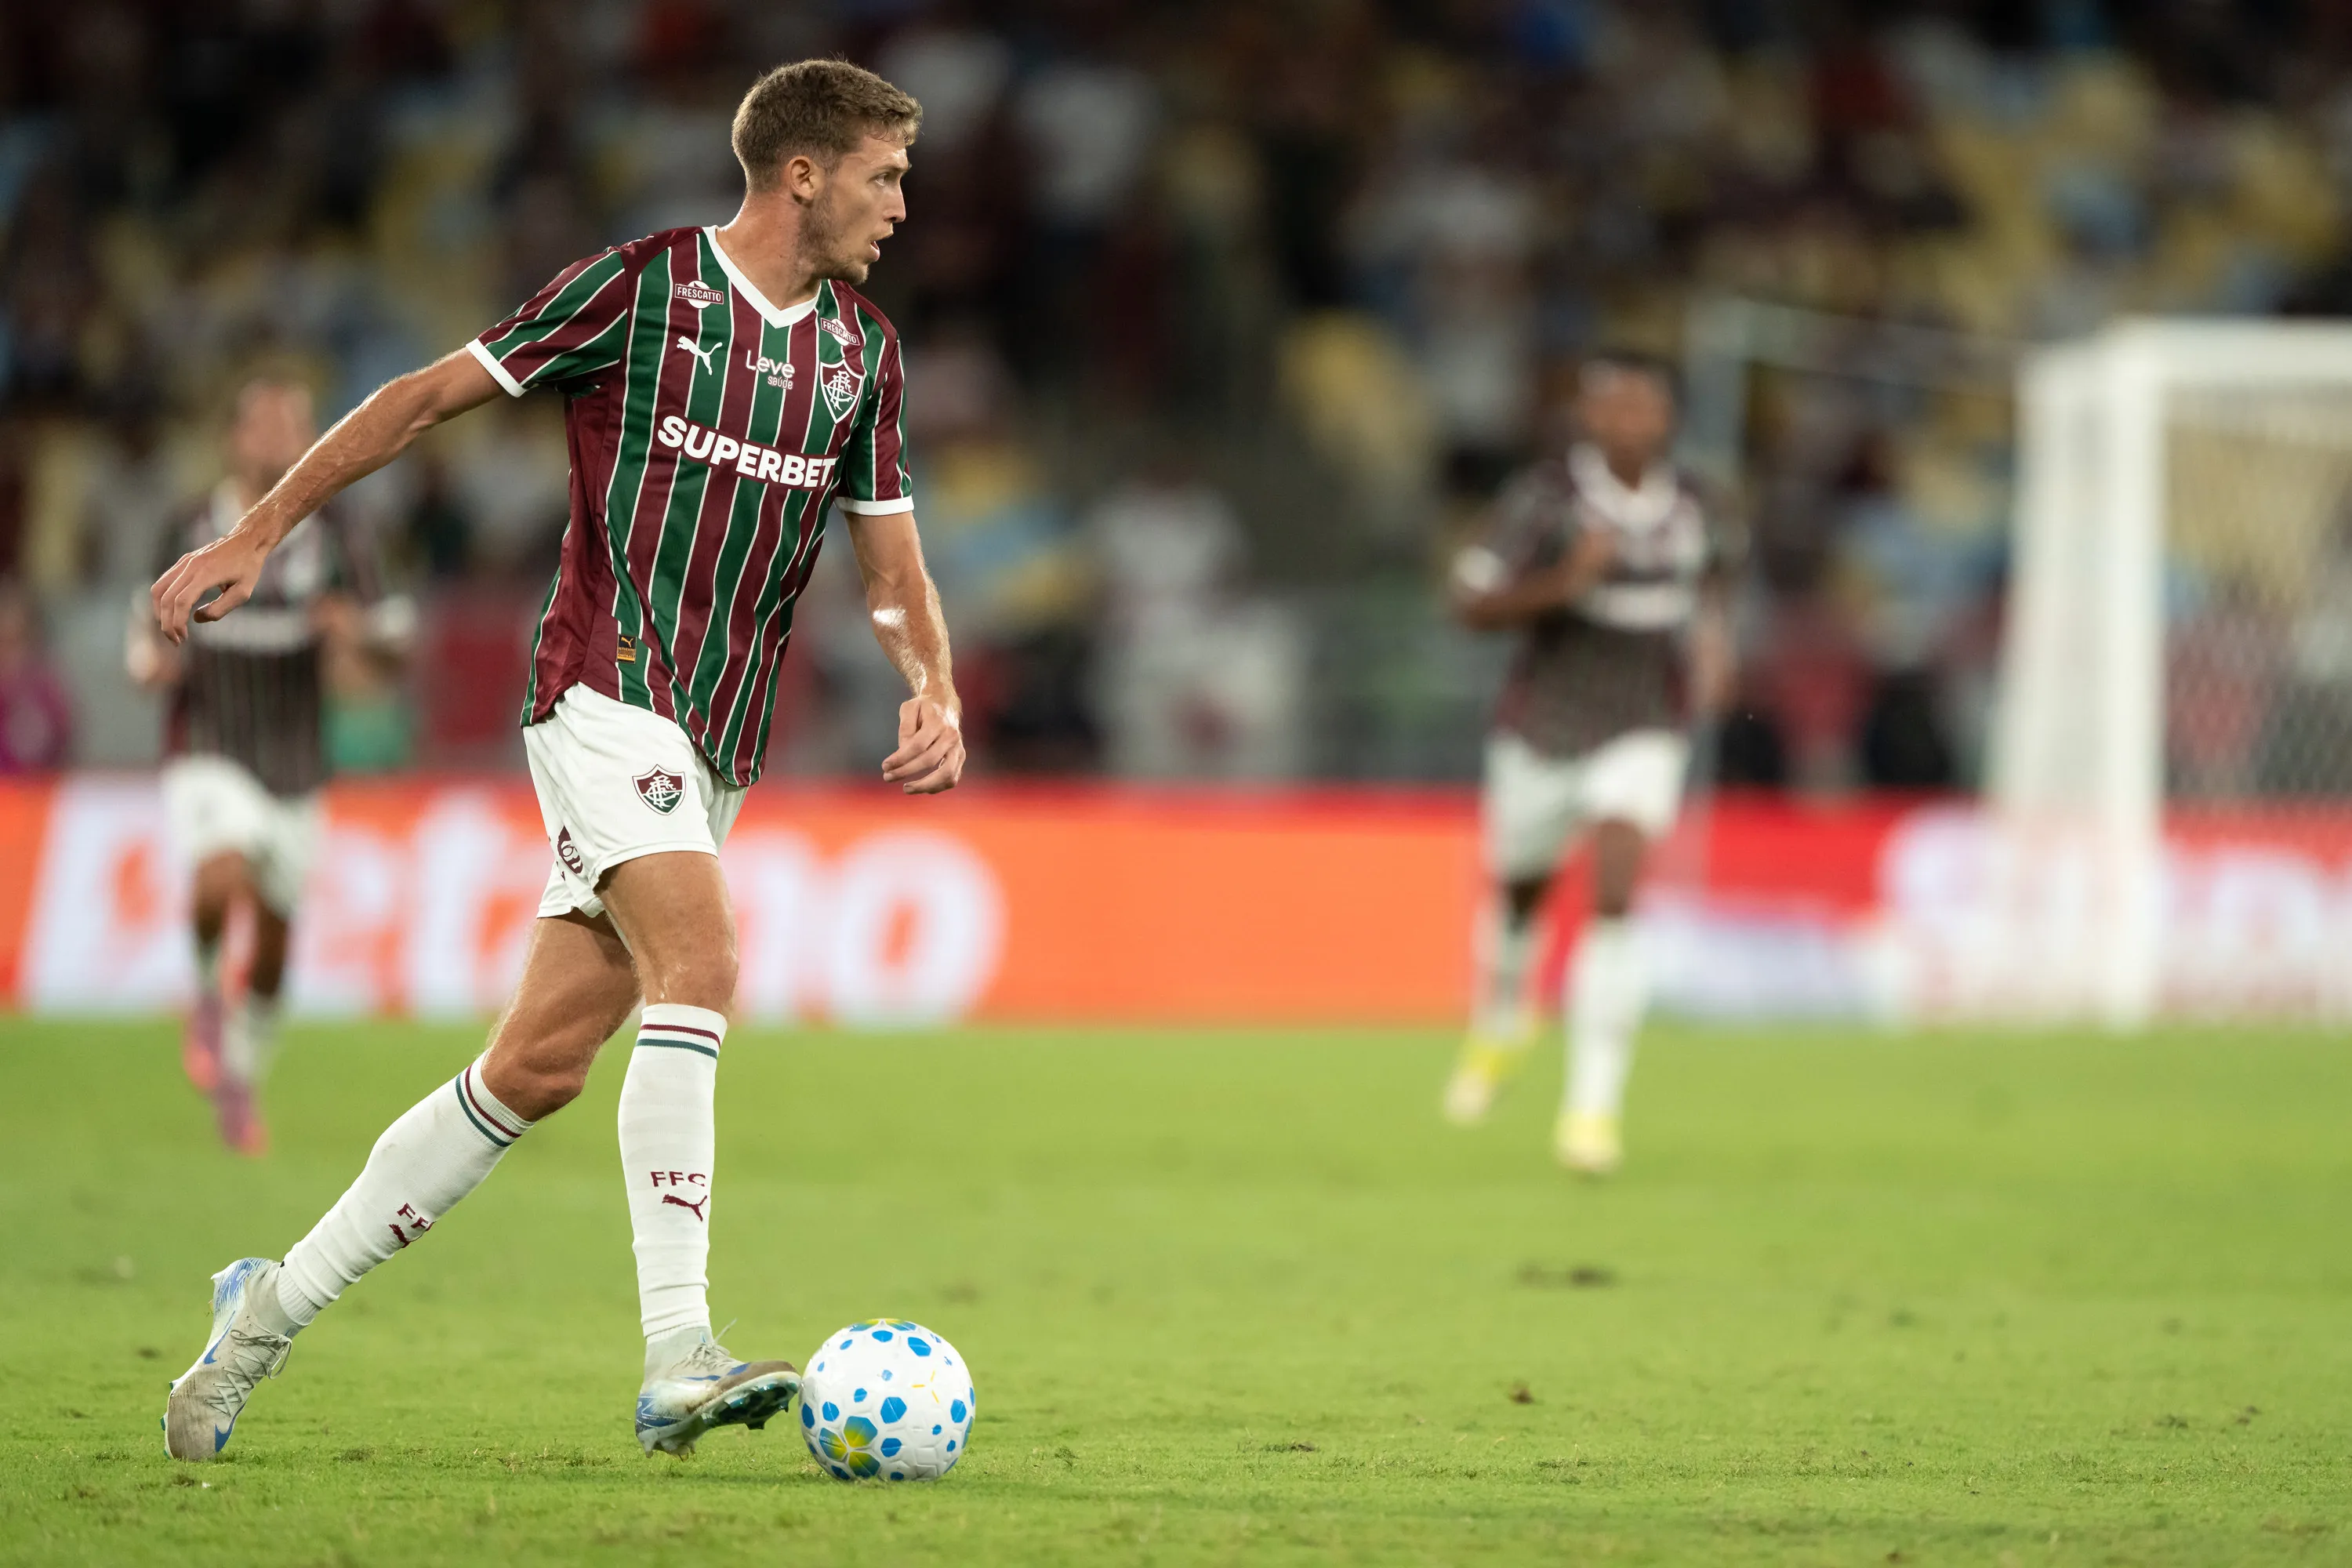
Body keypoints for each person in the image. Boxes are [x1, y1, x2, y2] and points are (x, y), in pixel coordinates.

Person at [151, 60, 961, 1463]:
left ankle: (261, 1314)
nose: (902, 204)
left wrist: (930, 684)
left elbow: (889, 555)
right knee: (701, 967)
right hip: (600, 693)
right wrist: (264, 528)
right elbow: (420, 398)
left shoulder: (861, 357)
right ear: (805, 174)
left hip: (716, 738)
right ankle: (678, 1356)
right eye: (886, 175)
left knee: (533, 1071)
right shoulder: (640, 290)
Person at [1439, 354, 1737, 1174]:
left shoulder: (1700, 503)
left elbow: (1717, 584)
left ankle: (1593, 1107)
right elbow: (1468, 605)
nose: (1630, 423)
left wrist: (1714, 650)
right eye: (1613, 408)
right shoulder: (1546, 501)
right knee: (1520, 891)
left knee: (1614, 890)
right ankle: (1501, 1018)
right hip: (1543, 725)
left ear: (1668, 417)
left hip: (1645, 720)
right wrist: (1566, 582)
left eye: (1646, 408)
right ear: (1588, 417)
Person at [128, 376, 405, 1156]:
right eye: (262, 425)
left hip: (297, 756)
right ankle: (207, 995)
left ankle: (242, 1076)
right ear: (232, 437)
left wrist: (355, 631)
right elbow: (141, 620)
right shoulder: (190, 522)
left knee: (279, 937)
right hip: (209, 741)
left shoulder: (340, 530)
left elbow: (394, 632)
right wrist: (149, 660)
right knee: (222, 873)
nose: (277, 439)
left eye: (293, 425)